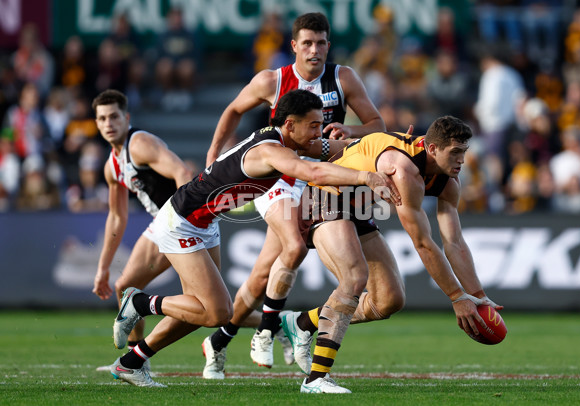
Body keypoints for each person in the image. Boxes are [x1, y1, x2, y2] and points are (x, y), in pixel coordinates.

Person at [109, 89, 399, 387]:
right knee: (218, 311)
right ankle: (141, 303)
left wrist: (390, 146)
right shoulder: (270, 151)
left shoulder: (286, 140)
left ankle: (131, 363)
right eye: (313, 125)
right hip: (183, 221)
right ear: (290, 125)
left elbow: (338, 148)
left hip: (205, 223)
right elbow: (312, 170)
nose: (318, 132)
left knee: (196, 310)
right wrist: (365, 177)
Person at [202, 12, 385, 379]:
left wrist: (346, 132)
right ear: (294, 46)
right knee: (292, 251)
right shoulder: (272, 80)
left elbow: (376, 125)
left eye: (320, 43)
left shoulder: (343, 76)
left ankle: (220, 341)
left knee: (259, 277)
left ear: (328, 46)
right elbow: (234, 110)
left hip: (322, 183)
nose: (314, 50)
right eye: (307, 43)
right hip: (280, 181)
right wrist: (212, 157)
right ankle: (270, 330)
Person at [279, 116, 502, 393]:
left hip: (357, 208)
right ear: (432, 149)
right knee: (354, 278)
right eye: (454, 153)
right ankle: (315, 379)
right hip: (324, 196)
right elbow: (422, 243)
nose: (461, 161)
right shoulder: (404, 169)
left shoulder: (449, 182)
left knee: (388, 300)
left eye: (463, 153)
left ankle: (301, 322)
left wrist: (477, 296)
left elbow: (454, 243)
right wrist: (457, 298)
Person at [91, 89, 195, 373]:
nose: (108, 123)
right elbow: (116, 217)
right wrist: (103, 268)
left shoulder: (139, 144)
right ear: (97, 124)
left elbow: (182, 173)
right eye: (102, 118)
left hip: (185, 220)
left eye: (114, 116)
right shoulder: (111, 167)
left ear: (126, 118)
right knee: (124, 287)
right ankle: (135, 363)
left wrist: (181, 221)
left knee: (206, 309)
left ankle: (263, 326)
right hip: (165, 223)